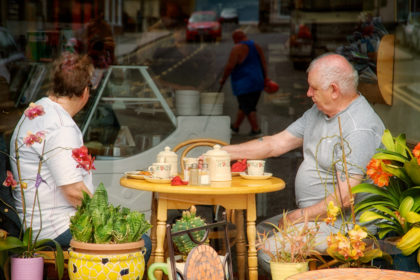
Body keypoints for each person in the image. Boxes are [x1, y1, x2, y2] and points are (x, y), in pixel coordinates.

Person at [222, 53, 385, 273]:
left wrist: (299, 216)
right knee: (258, 231)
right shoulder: (319, 113)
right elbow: (276, 143)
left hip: (345, 227)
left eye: (313, 88)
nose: (308, 94)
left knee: (267, 249)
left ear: (334, 90)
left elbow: (346, 197)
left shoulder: (358, 128)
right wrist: (224, 152)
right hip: (318, 218)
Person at [8, 52, 152, 262]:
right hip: (55, 229)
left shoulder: (36, 109)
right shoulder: (61, 127)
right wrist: (107, 219)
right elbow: (74, 192)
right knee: (141, 244)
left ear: (53, 86)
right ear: (86, 91)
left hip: (34, 224)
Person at [219, 29, 267, 136]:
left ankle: (256, 130)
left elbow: (230, 66)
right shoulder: (256, 46)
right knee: (244, 106)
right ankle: (235, 127)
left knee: (248, 107)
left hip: (244, 84)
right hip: (258, 82)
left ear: (236, 38)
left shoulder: (237, 48)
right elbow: (263, 62)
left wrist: (223, 79)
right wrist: (266, 78)